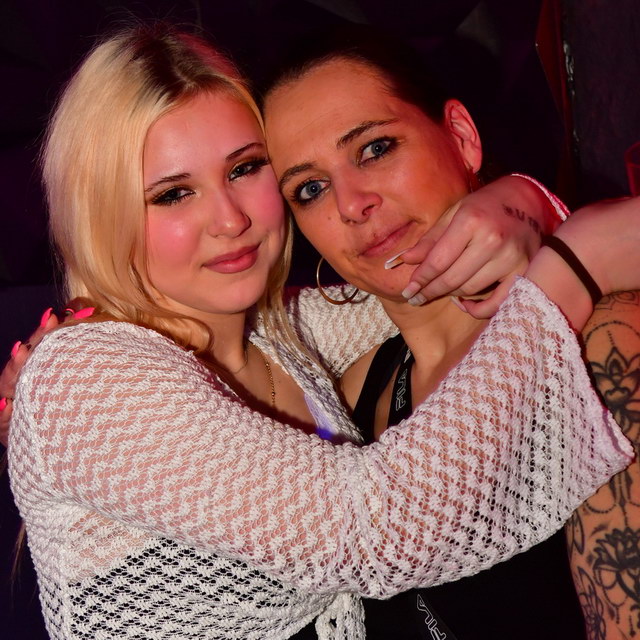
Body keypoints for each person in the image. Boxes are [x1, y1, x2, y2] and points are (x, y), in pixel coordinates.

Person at [3, 23, 639, 640]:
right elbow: (376, 532)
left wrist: (531, 203)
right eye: (172, 194)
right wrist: (577, 261)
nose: (229, 220)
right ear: (103, 213)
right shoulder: (85, 377)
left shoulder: (286, 336)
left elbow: (422, 292)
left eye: (244, 169)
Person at [260, 26, 640, 638]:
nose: (352, 204)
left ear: (461, 137)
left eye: (375, 148)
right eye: (310, 189)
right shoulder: (353, 396)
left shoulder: (599, 341)